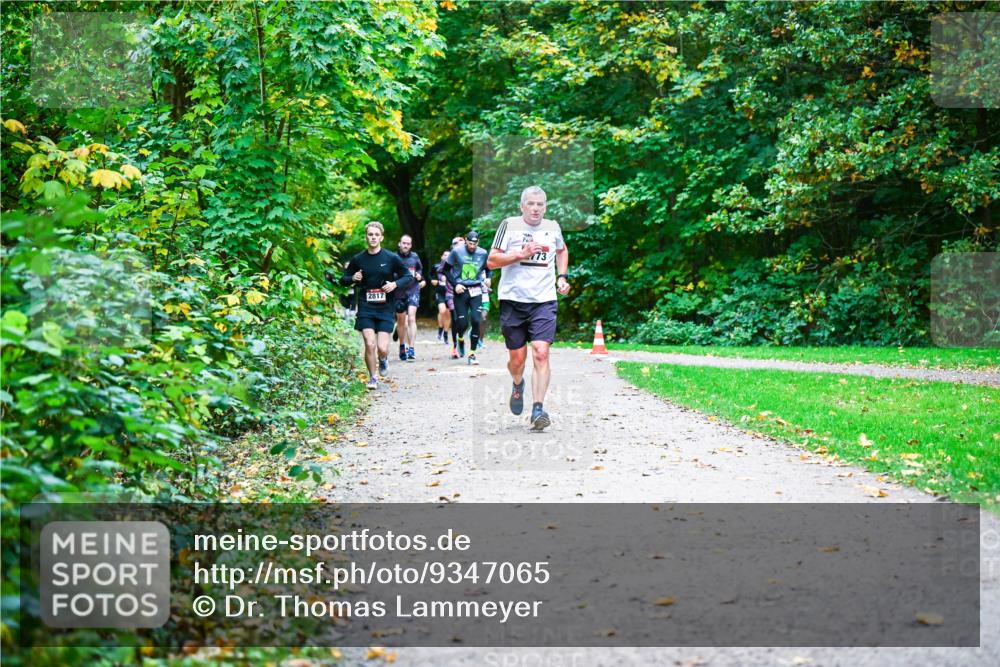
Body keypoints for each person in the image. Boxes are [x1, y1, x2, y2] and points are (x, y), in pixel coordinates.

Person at [486, 186, 570, 430]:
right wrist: (520, 254)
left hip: (544, 300)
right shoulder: (509, 226)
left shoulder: (552, 227)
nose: (536, 209)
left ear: (545, 206)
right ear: (522, 206)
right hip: (513, 301)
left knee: (541, 352)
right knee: (517, 360)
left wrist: (562, 277)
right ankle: (517, 383)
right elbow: (491, 261)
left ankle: (538, 409)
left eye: (540, 204)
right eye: (531, 204)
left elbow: (562, 250)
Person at [337, 221, 414, 390]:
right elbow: (343, 279)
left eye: (376, 235)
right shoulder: (358, 259)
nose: (373, 237)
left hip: (385, 307)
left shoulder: (391, 258)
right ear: (366, 237)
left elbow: (408, 276)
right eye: (370, 234)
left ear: (381, 237)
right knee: (369, 343)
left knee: (382, 348)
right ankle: (373, 377)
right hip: (365, 307)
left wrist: (394, 284)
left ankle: (383, 359)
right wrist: (353, 278)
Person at [444, 231, 491, 365]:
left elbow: (488, 268)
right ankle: (460, 338)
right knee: (463, 323)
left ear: (478, 242)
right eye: (470, 243)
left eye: (474, 244)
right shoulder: (456, 252)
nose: (472, 246)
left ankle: (472, 354)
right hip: (461, 290)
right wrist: (455, 284)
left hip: (476, 290)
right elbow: (446, 270)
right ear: (466, 241)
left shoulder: (482, 253)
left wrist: (488, 278)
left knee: (477, 321)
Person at [392, 234, 424, 362]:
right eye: (403, 243)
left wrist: (418, 275)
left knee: (411, 317)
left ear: (410, 245)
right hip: (399, 293)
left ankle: (411, 348)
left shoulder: (415, 257)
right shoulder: (393, 258)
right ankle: (402, 345)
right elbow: (389, 273)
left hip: (413, 290)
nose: (405, 245)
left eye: (408, 244)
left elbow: (420, 270)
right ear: (399, 244)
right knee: (401, 321)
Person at [432, 250, 452, 345]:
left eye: (449, 255)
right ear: (441, 256)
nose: (446, 257)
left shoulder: (453, 267)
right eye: (445, 255)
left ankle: (445, 334)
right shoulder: (436, 267)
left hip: (449, 293)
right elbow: (430, 275)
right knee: (442, 311)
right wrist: (433, 280)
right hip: (439, 292)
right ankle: (440, 329)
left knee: (448, 314)